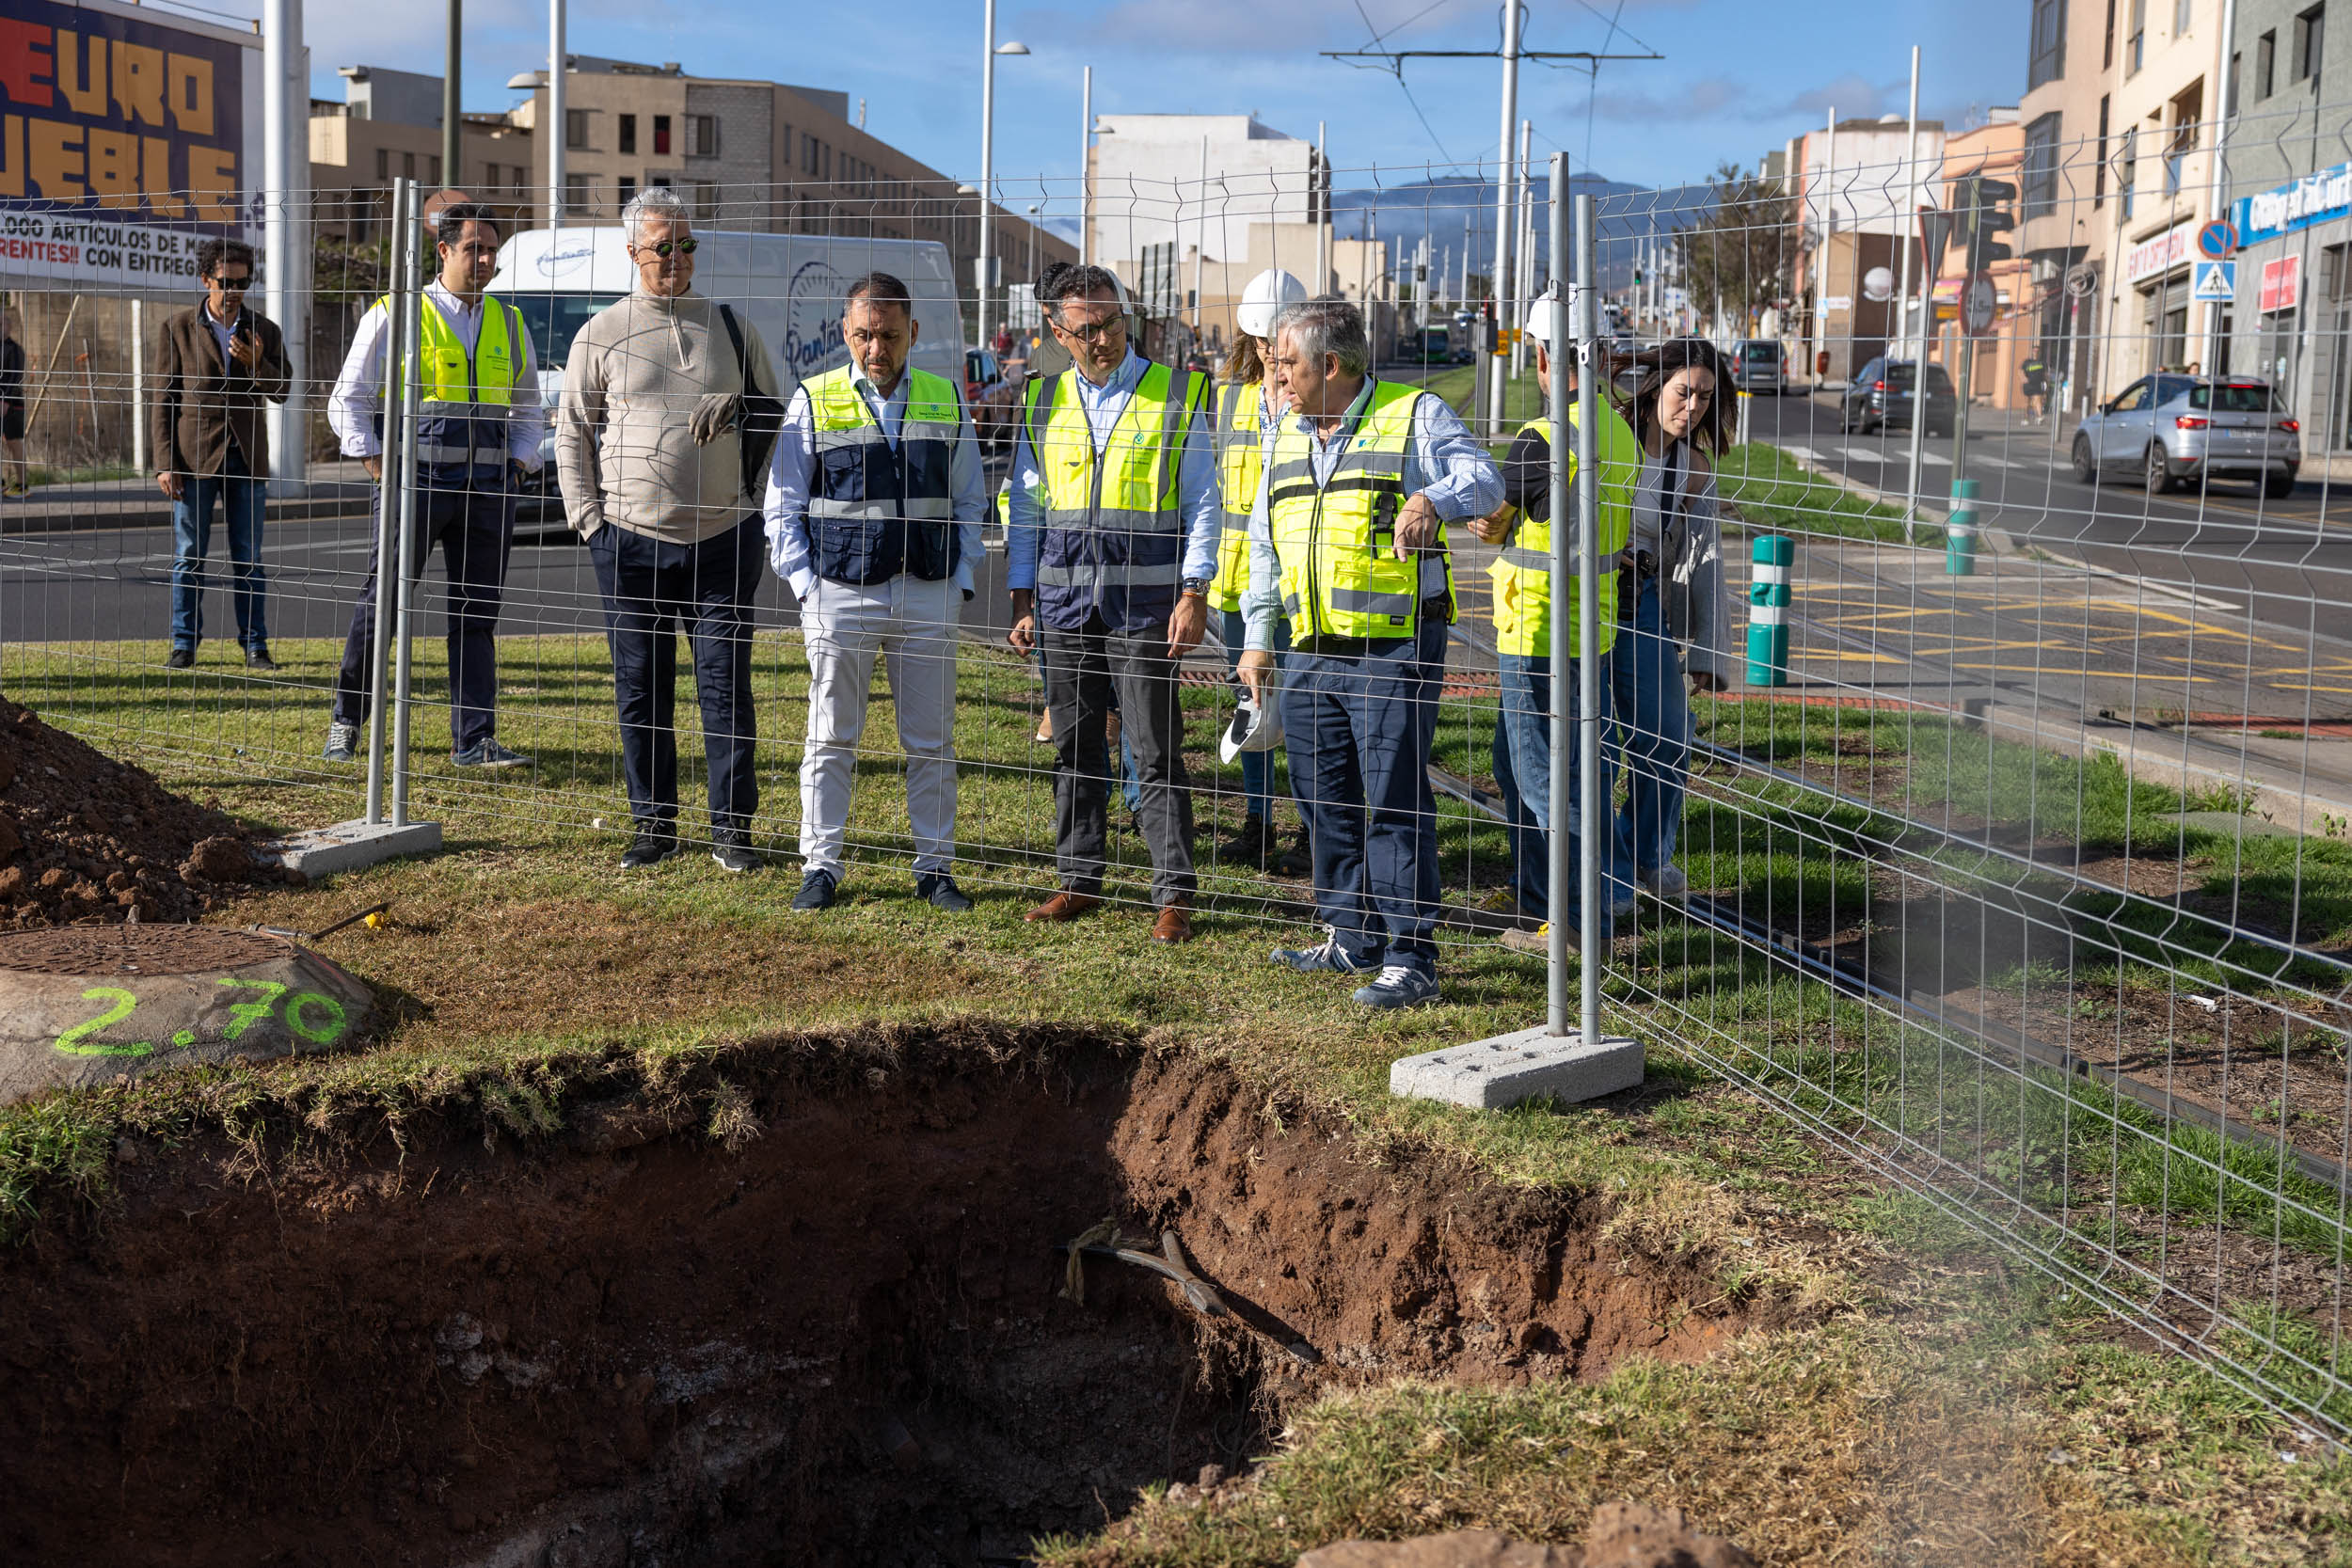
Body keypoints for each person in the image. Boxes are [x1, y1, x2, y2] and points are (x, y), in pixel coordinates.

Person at [1237, 298, 1502, 1008]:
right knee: (1321, 795)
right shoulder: (1286, 434)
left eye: (1287, 362)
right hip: (1309, 648)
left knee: (1392, 796)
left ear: (1330, 364)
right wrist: (1259, 637)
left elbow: (1486, 479)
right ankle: (1351, 935)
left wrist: (1433, 499)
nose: (1277, 373)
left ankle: (1412, 955)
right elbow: (1265, 545)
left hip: (1393, 646)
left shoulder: (1412, 415)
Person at [558, 187, 783, 872]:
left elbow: (779, 411)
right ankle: (653, 826)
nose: (677, 258)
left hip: (722, 540)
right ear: (633, 253)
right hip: (629, 539)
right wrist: (589, 522)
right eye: (663, 246)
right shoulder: (600, 333)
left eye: (687, 244)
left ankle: (730, 830)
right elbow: (571, 431)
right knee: (641, 686)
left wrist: (741, 409)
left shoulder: (732, 327)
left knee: (724, 685)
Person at [1006, 261, 1218, 944]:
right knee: (1074, 748)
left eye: (1114, 323)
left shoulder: (1175, 395)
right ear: (1056, 329)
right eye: (1087, 329)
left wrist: (1195, 589)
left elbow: (1203, 501)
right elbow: (1027, 506)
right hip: (1064, 609)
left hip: (1147, 608)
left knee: (1155, 752)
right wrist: (1021, 596)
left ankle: (1173, 894)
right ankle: (1078, 880)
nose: (1104, 340)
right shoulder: (1041, 402)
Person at [767, 270, 985, 911]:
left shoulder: (947, 398)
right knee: (830, 734)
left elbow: (971, 497)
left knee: (932, 741)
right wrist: (808, 587)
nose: (875, 349)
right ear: (844, 331)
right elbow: (782, 505)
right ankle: (821, 866)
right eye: (862, 335)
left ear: (912, 331)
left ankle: (935, 867)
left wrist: (960, 578)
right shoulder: (814, 398)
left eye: (888, 335)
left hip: (927, 591)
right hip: (841, 591)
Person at [325, 201, 542, 768]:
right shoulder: (396, 314)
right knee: (385, 603)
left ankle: (474, 740)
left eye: (492, 250)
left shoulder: (510, 322)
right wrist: (379, 468)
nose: (486, 260)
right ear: (442, 250)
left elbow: (528, 411)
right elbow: (347, 401)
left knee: (476, 615)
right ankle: (347, 721)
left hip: (489, 493)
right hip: (413, 488)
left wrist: (517, 468)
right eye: (474, 249)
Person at [1469, 287, 1642, 955]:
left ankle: (1570, 927)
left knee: (1544, 782)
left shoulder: (1540, 439)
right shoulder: (1619, 433)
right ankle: (1560, 904)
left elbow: (1494, 517)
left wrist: (1492, 518)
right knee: (1542, 770)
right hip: (1590, 633)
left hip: (1534, 633)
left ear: (1542, 357)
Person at [1608, 338, 1734, 916]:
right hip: (1586, 596)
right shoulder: (1612, 438)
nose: (1693, 408)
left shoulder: (1693, 469)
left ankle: (1644, 857)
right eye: (1684, 392)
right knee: (1593, 743)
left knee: (1670, 736)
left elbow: (1708, 562)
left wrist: (1710, 651)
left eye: (1706, 397)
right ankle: (1594, 870)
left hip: (1643, 603)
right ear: (1657, 385)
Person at [1203, 267, 1311, 875]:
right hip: (1235, 585)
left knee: (1298, 709)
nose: (1274, 354)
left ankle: (1309, 823)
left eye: (1283, 339)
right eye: (1264, 342)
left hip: (1295, 588)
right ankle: (1258, 820)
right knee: (1249, 706)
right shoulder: (1231, 401)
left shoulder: (1314, 401)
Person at [151, 238, 292, 671]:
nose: (234, 290)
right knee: (190, 554)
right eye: (225, 282)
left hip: (246, 459)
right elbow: (162, 398)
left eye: (243, 281)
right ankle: (184, 643)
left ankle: (255, 645)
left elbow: (283, 390)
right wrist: (164, 463)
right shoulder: (177, 327)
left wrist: (256, 364)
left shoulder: (264, 330)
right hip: (194, 460)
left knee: (248, 557)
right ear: (206, 279)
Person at [0, 309, 25, 496]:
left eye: (2, 323)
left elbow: (16, 376)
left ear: (9, 326)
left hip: (12, 404)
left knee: (14, 443)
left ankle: (22, 486)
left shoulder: (15, 349)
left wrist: (5, 400)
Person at [2020, 351, 2048, 424]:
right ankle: (2026, 419)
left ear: (2039, 353)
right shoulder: (2027, 362)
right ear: (2032, 353)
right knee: (2027, 403)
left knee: (2038, 401)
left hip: (2037, 385)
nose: (2035, 353)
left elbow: (2045, 375)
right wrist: (2023, 378)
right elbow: (2020, 371)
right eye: (2034, 351)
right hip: (2028, 385)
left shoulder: (2042, 363)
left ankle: (2039, 417)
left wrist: (2046, 384)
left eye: (2037, 352)